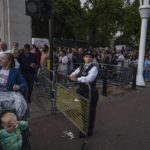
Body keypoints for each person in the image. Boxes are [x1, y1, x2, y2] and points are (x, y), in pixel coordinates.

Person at [69, 49, 99, 137]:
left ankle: (88, 131)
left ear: (92, 58)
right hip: (83, 92)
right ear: (83, 58)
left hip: (91, 93)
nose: (88, 58)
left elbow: (90, 78)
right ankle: (85, 128)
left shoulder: (94, 67)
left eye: (90, 57)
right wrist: (71, 75)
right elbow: (75, 72)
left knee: (90, 112)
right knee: (84, 111)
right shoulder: (82, 66)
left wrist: (77, 79)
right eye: (86, 57)